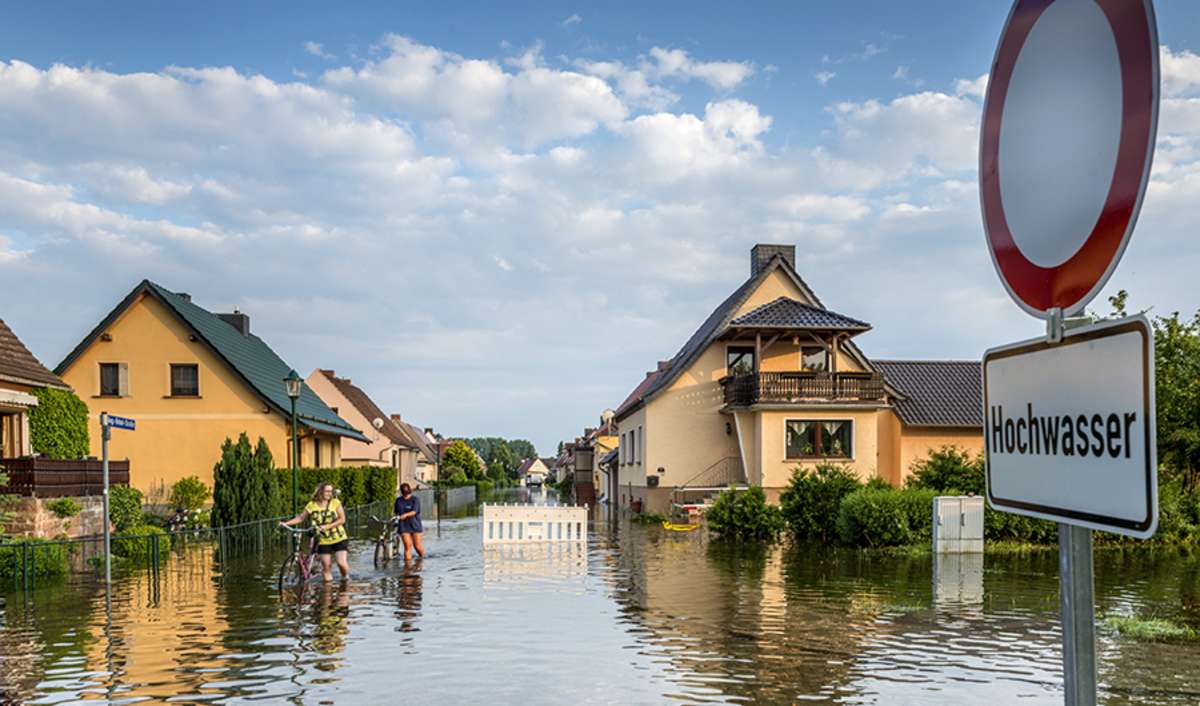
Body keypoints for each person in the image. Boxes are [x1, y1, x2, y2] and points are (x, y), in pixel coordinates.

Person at [281, 482, 349, 581]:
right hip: (323, 540)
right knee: (326, 567)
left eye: (331, 491)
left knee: (341, 563)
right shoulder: (311, 505)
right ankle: (328, 592)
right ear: (320, 491)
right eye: (327, 491)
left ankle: (345, 578)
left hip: (338, 537)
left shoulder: (335, 503)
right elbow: (301, 518)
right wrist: (286, 523)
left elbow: (342, 519)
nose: (330, 493)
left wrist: (328, 526)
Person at [393, 483, 425, 561]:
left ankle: (422, 558)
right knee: (407, 546)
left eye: (407, 491)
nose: (406, 493)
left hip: (415, 524)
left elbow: (415, 511)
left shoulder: (415, 500)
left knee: (417, 545)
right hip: (403, 525)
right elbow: (395, 512)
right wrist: (394, 518)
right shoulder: (398, 500)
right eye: (404, 491)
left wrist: (406, 515)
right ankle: (407, 566)